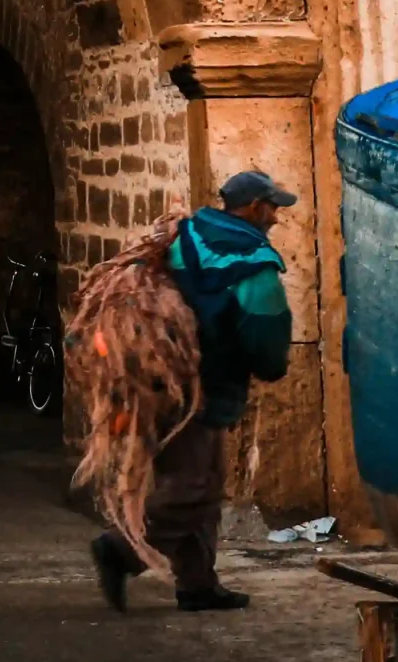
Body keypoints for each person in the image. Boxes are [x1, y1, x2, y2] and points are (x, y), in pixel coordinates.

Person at [93, 169, 296, 615]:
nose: (276, 217)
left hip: (161, 373)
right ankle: (120, 550)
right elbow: (266, 329)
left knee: (205, 481)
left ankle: (198, 583)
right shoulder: (247, 257)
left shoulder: (189, 234)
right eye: (273, 207)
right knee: (193, 484)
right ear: (255, 208)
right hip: (201, 384)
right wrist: (272, 366)